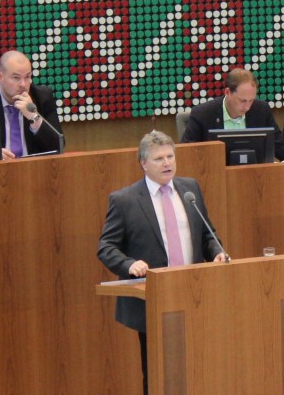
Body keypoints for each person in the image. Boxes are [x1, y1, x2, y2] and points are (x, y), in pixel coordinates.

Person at [97, 130, 227, 395]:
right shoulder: (125, 200)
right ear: (144, 163)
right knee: (158, 372)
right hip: (152, 297)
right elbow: (106, 247)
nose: (167, 163)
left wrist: (216, 251)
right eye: (159, 159)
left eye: (170, 156)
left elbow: (206, 234)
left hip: (194, 291)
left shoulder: (190, 189)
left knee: (198, 364)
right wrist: (129, 264)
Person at [180, 68, 284, 161]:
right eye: (242, 101)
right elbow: (185, 153)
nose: (247, 107)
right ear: (227, 92)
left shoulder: (261, 110)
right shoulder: (203, 114)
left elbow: (278, 146)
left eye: (251, 100)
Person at [0, 50, 65, 160]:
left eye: (27, 77)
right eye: (16, 78)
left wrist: (33, 117)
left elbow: (58, 146)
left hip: (33, 170)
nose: (23, 84)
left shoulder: (42, 97)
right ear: (0, 77)